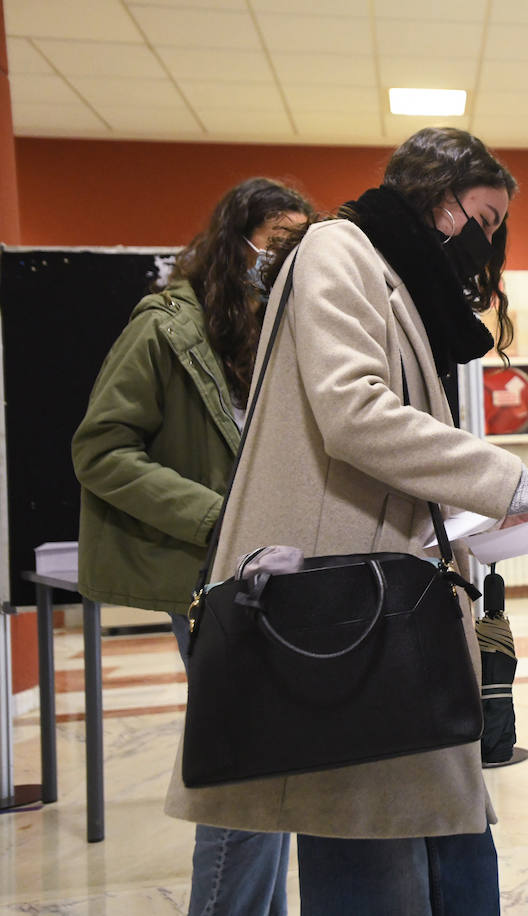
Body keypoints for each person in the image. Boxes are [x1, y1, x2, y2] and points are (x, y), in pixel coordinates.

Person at [163, 127, 528, 915]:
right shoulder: (340, 250)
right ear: (439, 195)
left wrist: (499, 523)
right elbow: (354, 416)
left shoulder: (393, 281)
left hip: (381, 614)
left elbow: (387, 479)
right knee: (372, 863)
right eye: (486, 220)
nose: (487, 245)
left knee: (425, 853)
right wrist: (510, 477)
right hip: (344, 625)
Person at [71, 177, 315, 915]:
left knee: (269, 768)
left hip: (275, 577)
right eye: (274, 243)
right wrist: (218, 520)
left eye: (296, 247)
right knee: (245, 768)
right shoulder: (165, 327)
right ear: (234, 242)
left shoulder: (279, 330)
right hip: (212, 574)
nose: (282, 261)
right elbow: (101, 450)